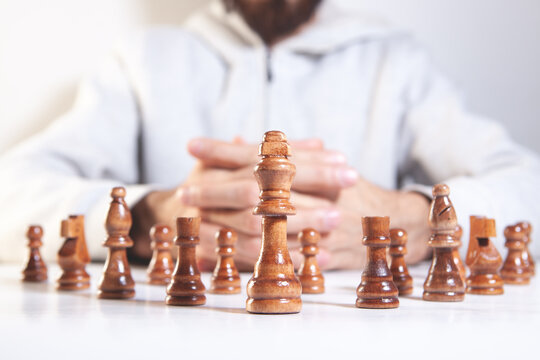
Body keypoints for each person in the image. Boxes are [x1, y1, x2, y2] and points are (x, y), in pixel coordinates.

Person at [0, 0, 538, 269]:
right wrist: (147, 217)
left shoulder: (395, 62)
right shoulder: (146, 59)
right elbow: (10, 192)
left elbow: (526, 181)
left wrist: (419, 219)